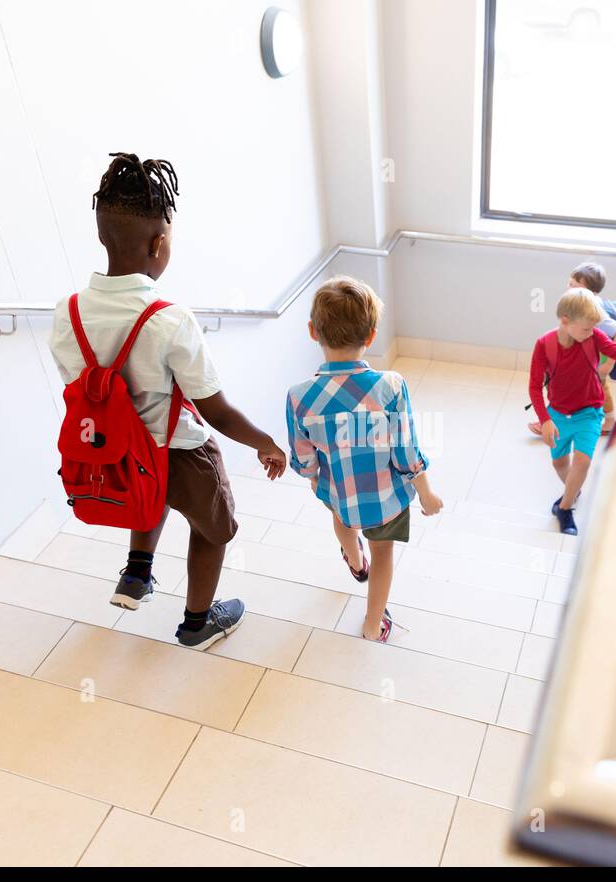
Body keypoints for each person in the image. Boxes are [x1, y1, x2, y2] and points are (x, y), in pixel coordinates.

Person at [50, 152, 287, 650]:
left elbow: (89, 386)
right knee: (215, 531)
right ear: (160, 244)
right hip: (182, 455)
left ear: (101, 236)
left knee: (146, 489)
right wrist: (265, 442)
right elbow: (216, 410)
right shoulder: (168, 318)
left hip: (113, 453)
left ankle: (137, 573)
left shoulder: (67, 312)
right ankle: (198, 622)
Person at [285, 276, 443, 642]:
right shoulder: (390, 386)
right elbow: (405, 450)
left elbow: (303, 454)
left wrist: (313, 476)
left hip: (339, 490)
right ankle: (373, 625)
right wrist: (427, 492)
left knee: (343, 522)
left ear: (313, 332)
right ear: (371, 336)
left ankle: (355, 562)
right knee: (383, 553)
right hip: (385, 496)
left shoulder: (299, 397)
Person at [529, 287, 616, 535]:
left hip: (589, 411)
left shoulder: (592, 337)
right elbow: (534, 387)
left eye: (592, 330)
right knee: (560, 464)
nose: (590, 335)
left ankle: (565, 509)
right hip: (558, 415)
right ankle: (572, 491)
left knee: (583, 462)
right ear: (565, 320)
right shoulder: (544, 345)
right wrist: (544, 420)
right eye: (586, 329)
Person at [526, 262, 616, 437]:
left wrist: (609, 364)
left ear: (591, 292)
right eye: (570, 284)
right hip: (584, 350)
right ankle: (552, 416)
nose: (570, 289)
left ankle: (610, 421)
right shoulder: (578, 304)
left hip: (598, 353)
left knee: (600, 387)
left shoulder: (598, 311)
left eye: (576, 286)